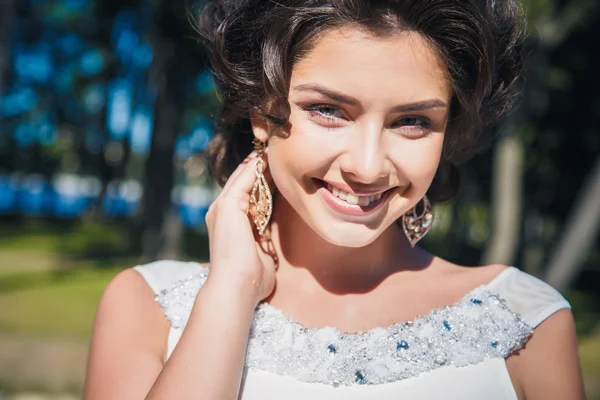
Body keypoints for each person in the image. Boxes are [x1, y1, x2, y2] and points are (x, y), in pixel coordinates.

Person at [84, 0, 586, 399]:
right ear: (260, 110)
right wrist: (231, 291)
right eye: (328, 110)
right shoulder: (145, 304)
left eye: (413, 121)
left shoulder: (526, 321)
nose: (368, 166)